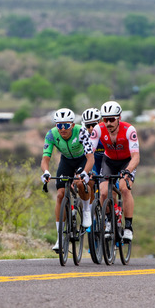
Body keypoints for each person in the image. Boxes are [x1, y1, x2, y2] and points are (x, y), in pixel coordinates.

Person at [41, 108, 94, 252]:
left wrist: (84, 173)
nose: (62, 129)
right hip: (66, 161)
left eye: (65, 125)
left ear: (72, 124)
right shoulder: (51, 135)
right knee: (60, 194)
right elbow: (45, 158)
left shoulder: (81, 131)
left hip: (82, 160)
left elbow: (90, 158)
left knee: (80, 182)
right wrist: (46, 172)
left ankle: (86, 210)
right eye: (59, 125)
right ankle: (60, 238)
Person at [89, 100, 140, 241]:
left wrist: (128, 170)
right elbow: (90, 153)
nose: (109, 123)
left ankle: (128, 227)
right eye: (106, 119)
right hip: (109, 161)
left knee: (124, 189)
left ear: (119, 118)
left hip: (126, 162)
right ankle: (109, 221)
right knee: (104, 193)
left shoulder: (129, 130)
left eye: (112, 119)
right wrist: (86, 170)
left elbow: (136, 156)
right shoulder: (98, 129)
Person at [81, 107, 104, 194]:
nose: (91, 128)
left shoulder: (106, 134)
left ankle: (115, 206)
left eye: (94, 125)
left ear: (100, 122)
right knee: (90, 181)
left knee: (109, 190)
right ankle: (91, 206)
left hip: (107, 161)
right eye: (88, 126)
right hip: (94, 162)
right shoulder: (84, 136)